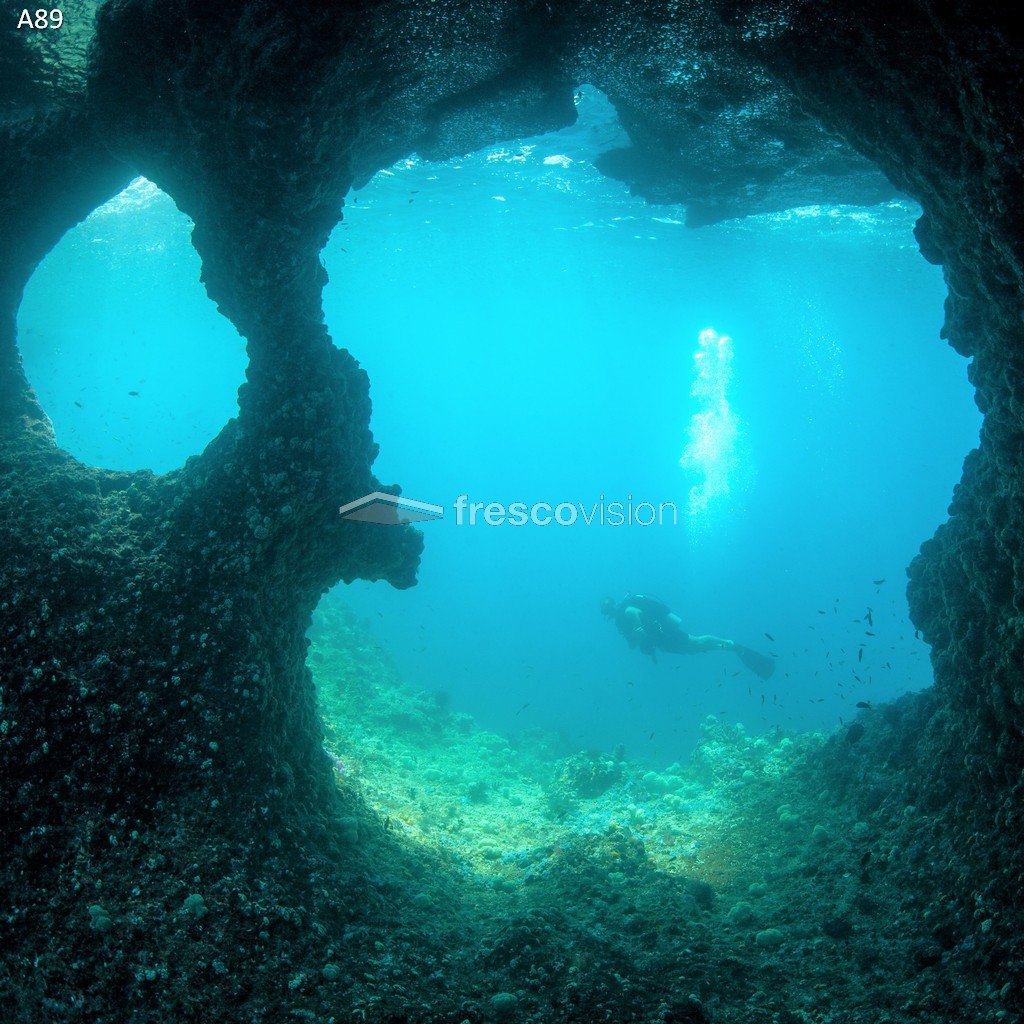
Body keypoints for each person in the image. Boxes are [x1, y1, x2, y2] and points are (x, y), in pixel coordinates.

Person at [600, 593, 775, 679]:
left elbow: (635, 612)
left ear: (614, 605)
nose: (612, 610)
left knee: (696, 641)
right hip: (662, 642)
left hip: (665, 633)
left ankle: (729, 644)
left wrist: (638, 627)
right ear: (607, 613)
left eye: (610, 607)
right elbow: (631, 645)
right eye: (608, 610)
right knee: (694, 649)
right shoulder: (619, 624)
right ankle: (728, 647)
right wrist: (635, 638)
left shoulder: (624, 610)